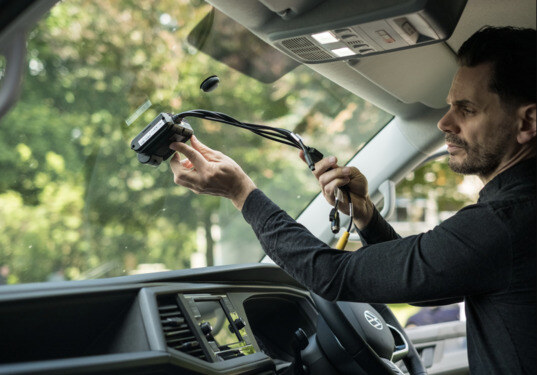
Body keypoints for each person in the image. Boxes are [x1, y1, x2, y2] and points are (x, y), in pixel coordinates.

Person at [168, 26, 536, 374]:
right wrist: (365, 215)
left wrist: (241, 192)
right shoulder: (514, 219)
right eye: (450, 105)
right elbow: (423, 285)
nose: (444, 123)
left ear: (527, 123)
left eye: (467, 110)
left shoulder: (503, 225)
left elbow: (332, 275)